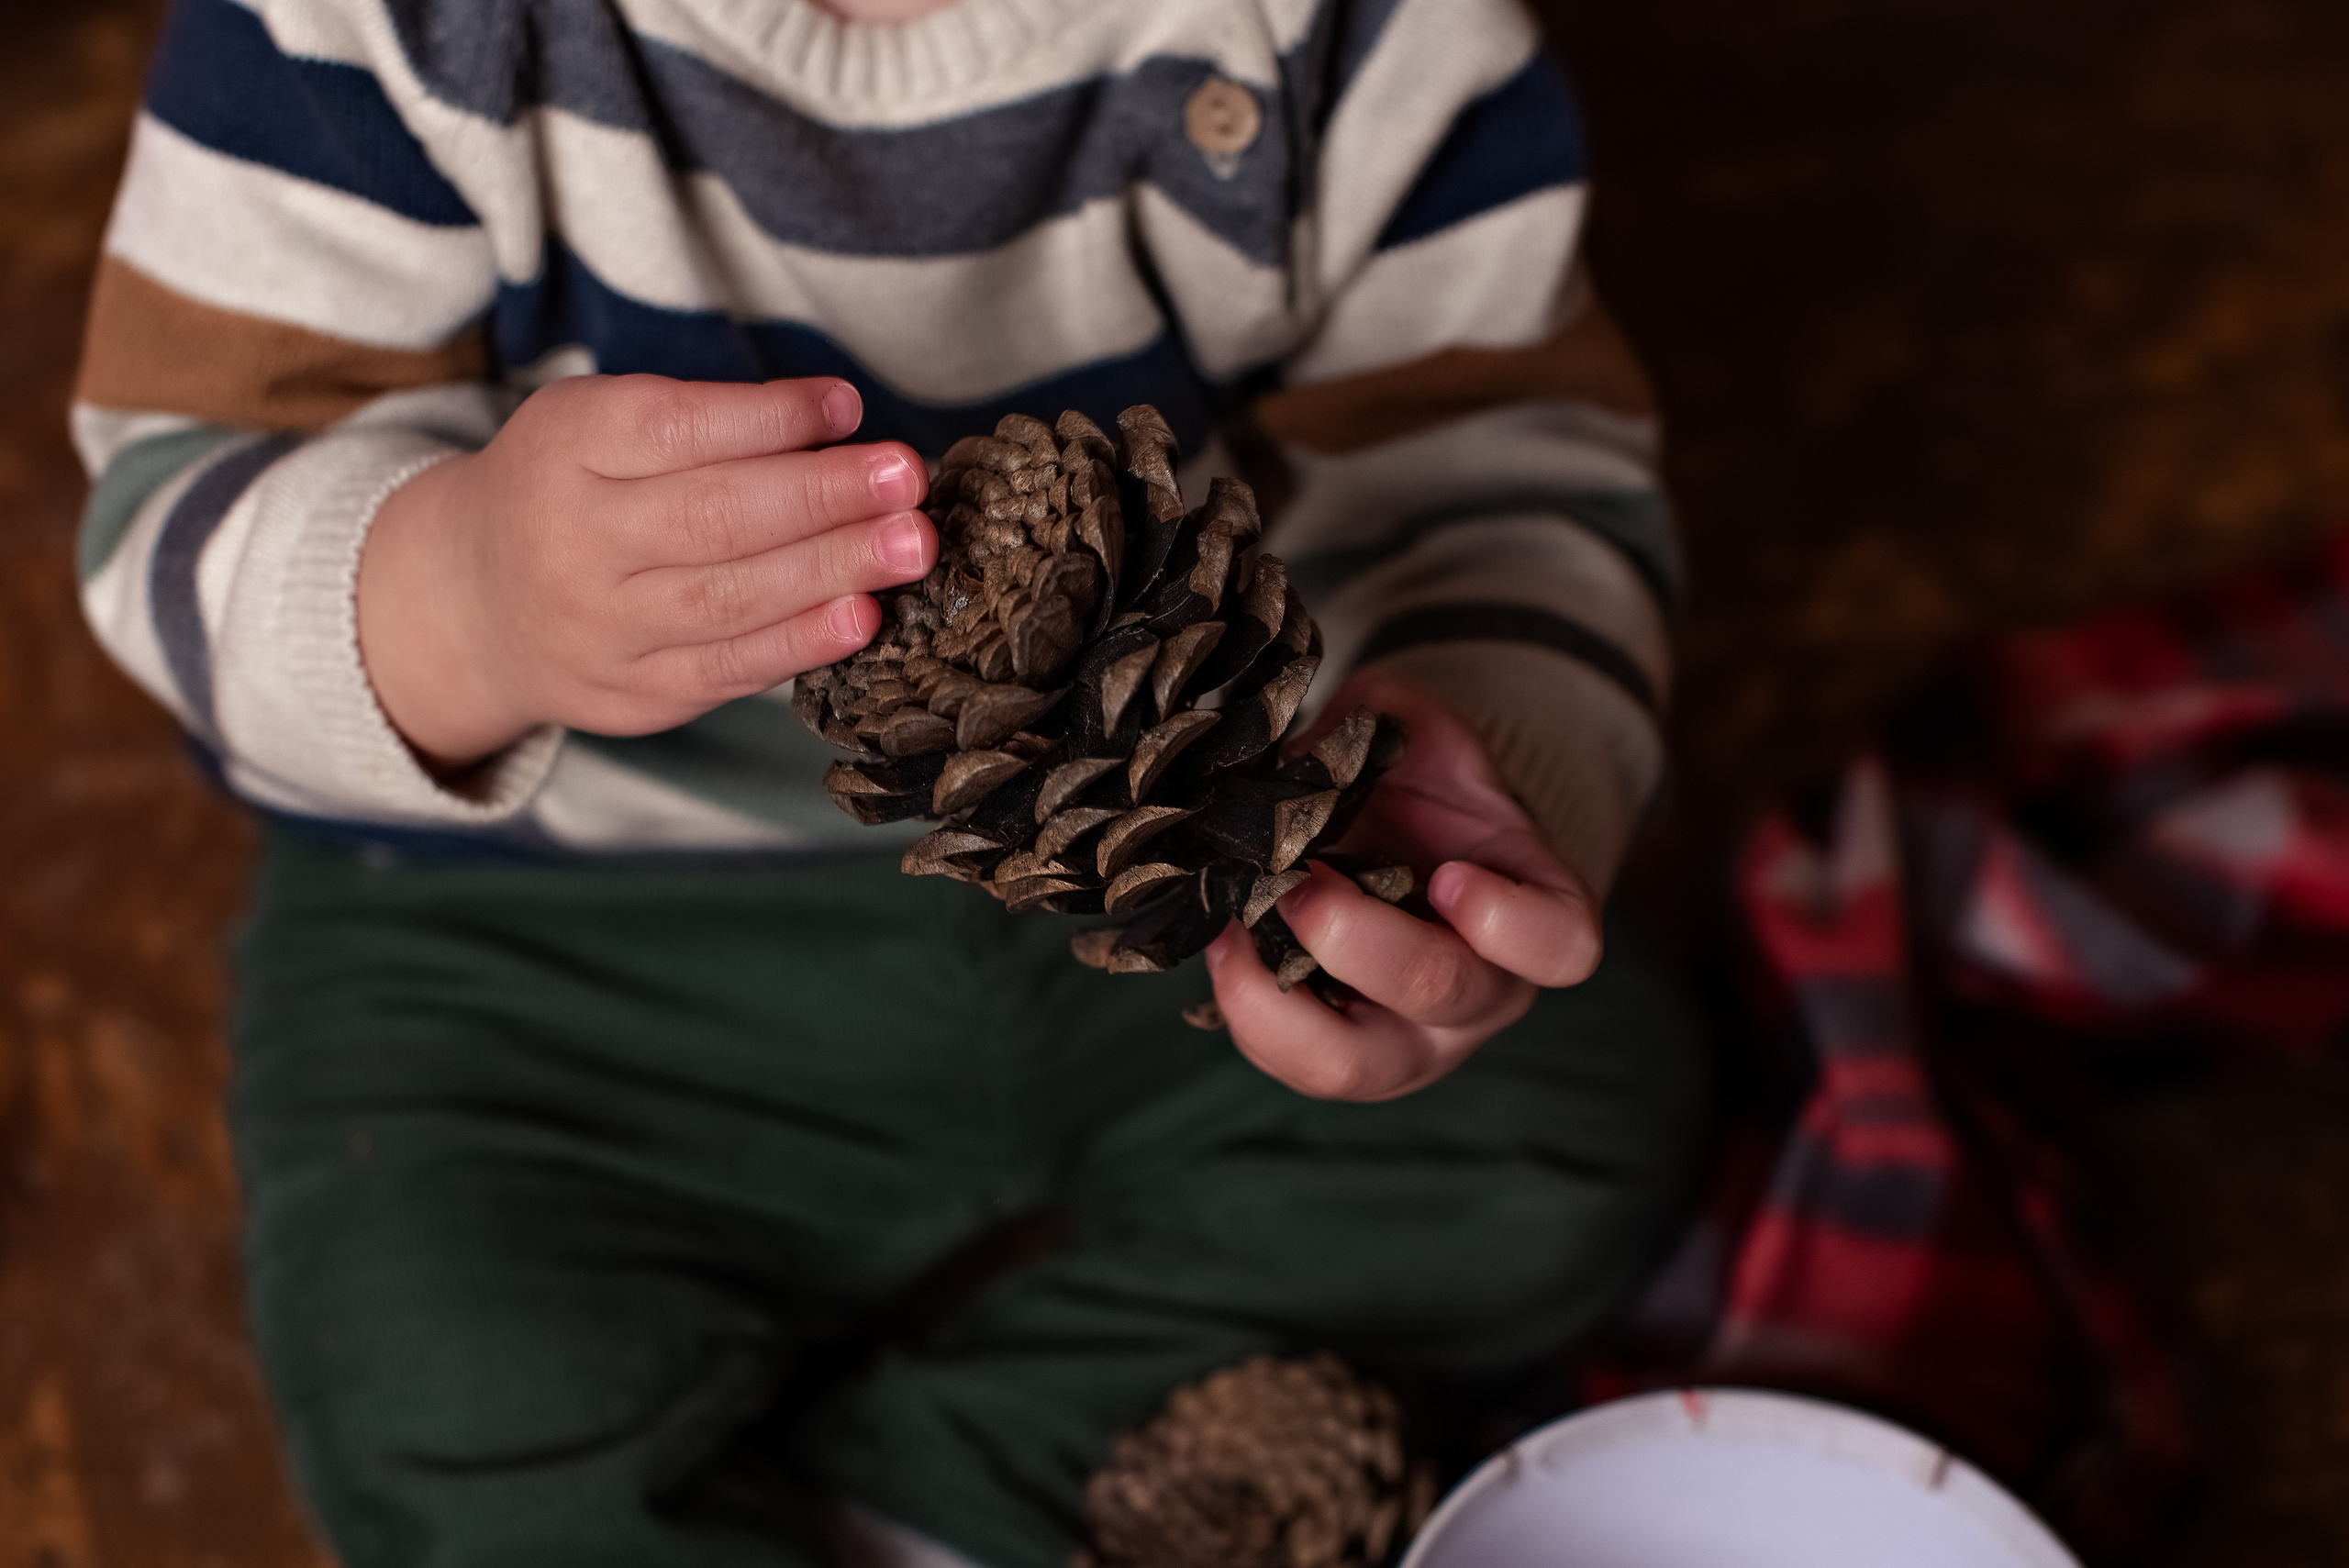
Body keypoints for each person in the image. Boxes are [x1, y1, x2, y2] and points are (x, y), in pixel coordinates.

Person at [72, 0, 1708, 1561]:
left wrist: (1485, 743)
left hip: (1176, 851)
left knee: (1563, 1129)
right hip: (545, 923)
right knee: (446, 1375)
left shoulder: (1350, 37)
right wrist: (462, 600)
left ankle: (949, 1503)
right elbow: (184, 495)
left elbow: (1504, 460)